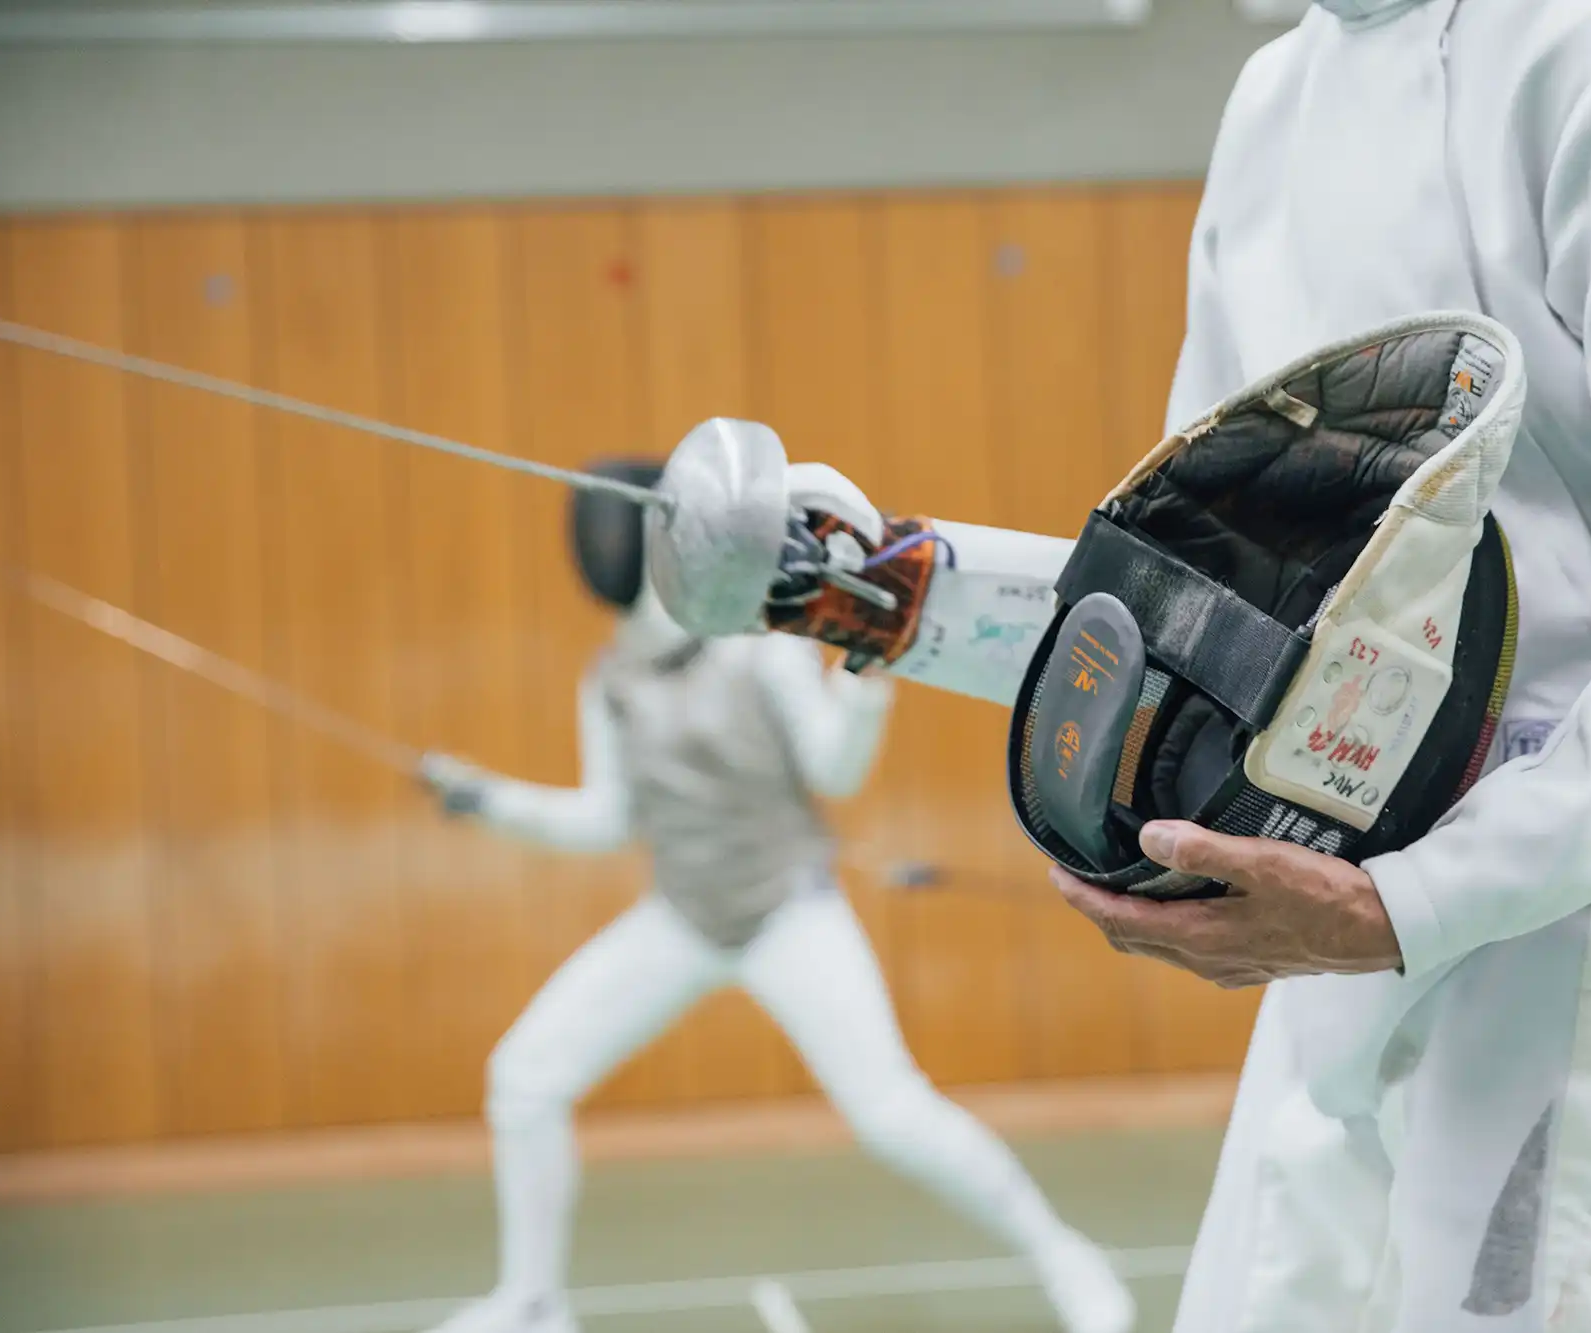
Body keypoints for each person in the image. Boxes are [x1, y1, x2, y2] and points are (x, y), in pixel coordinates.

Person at [701, 2, 1591, 1328]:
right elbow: (1203, 606)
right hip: (1343, 912)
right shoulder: (1280, 94)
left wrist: (1410, 904)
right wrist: (901, 593)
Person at [417, 461, 1135, 1333]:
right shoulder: (609, 677)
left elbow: (834, 767)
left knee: (891, 1113)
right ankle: (531, 1303)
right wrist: (489, 801)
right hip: (684, 917)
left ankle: (1065, 1256)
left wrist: (867, 675)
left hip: (790, 915)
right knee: (524, 1079)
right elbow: (609, 819)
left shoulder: (756, 643)